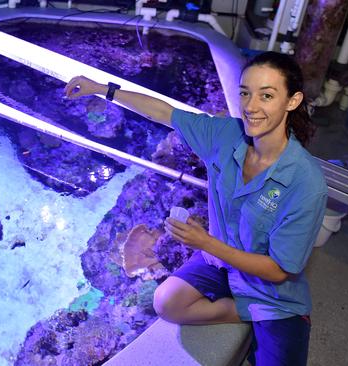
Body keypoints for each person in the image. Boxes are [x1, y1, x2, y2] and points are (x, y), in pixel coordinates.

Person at [64, 51, 327, 366]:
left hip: (271, 289)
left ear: (292, 101)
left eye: (267, 96)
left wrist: (205, 243)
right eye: (245, 93)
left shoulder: (306, 183)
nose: (251, 107)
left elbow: (278, 270)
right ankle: (239, 310)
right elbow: (164, 112)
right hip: (220, 260)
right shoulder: (226, 134)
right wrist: (103, 89)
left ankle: (261, 311)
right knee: (165, 302)